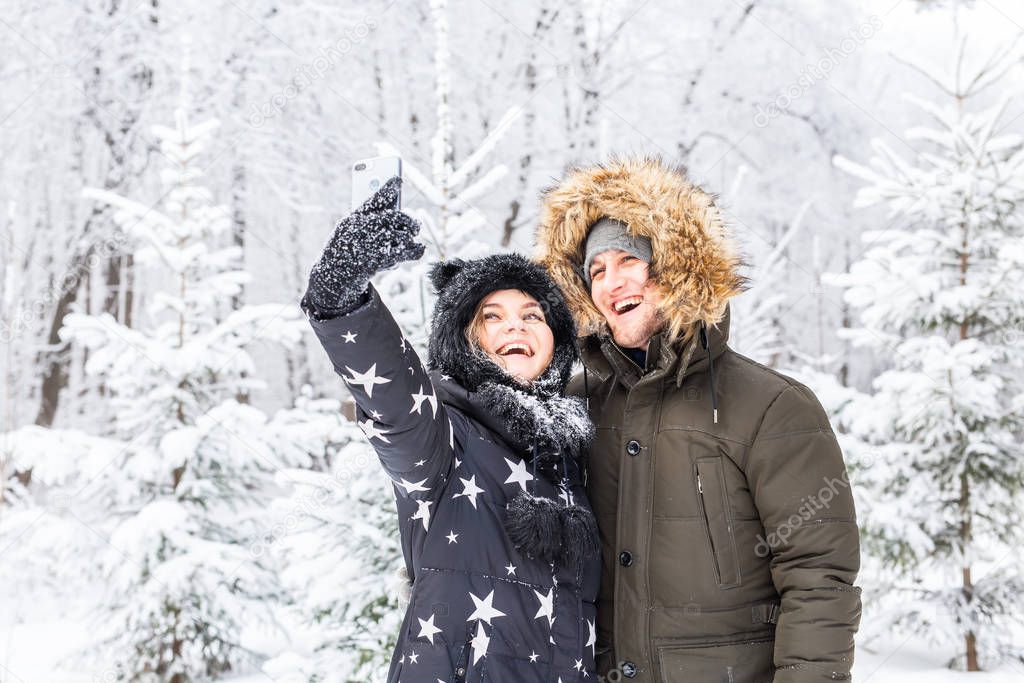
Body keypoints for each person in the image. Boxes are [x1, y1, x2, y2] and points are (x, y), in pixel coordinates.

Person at [535, 156, 861, 682]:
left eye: (628, 261)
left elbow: (819, 579)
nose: (611, 281)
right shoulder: (574, 406)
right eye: (596, 270)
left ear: (675, 266)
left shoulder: (773, 407)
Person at [301, 177, 601, 682]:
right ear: (464, 338)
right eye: (492, 316)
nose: (516, 326)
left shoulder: (575, 460)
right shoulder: (443, 437)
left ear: (556, 341)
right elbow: (394, 400)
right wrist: (341, 298)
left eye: (534, 315)